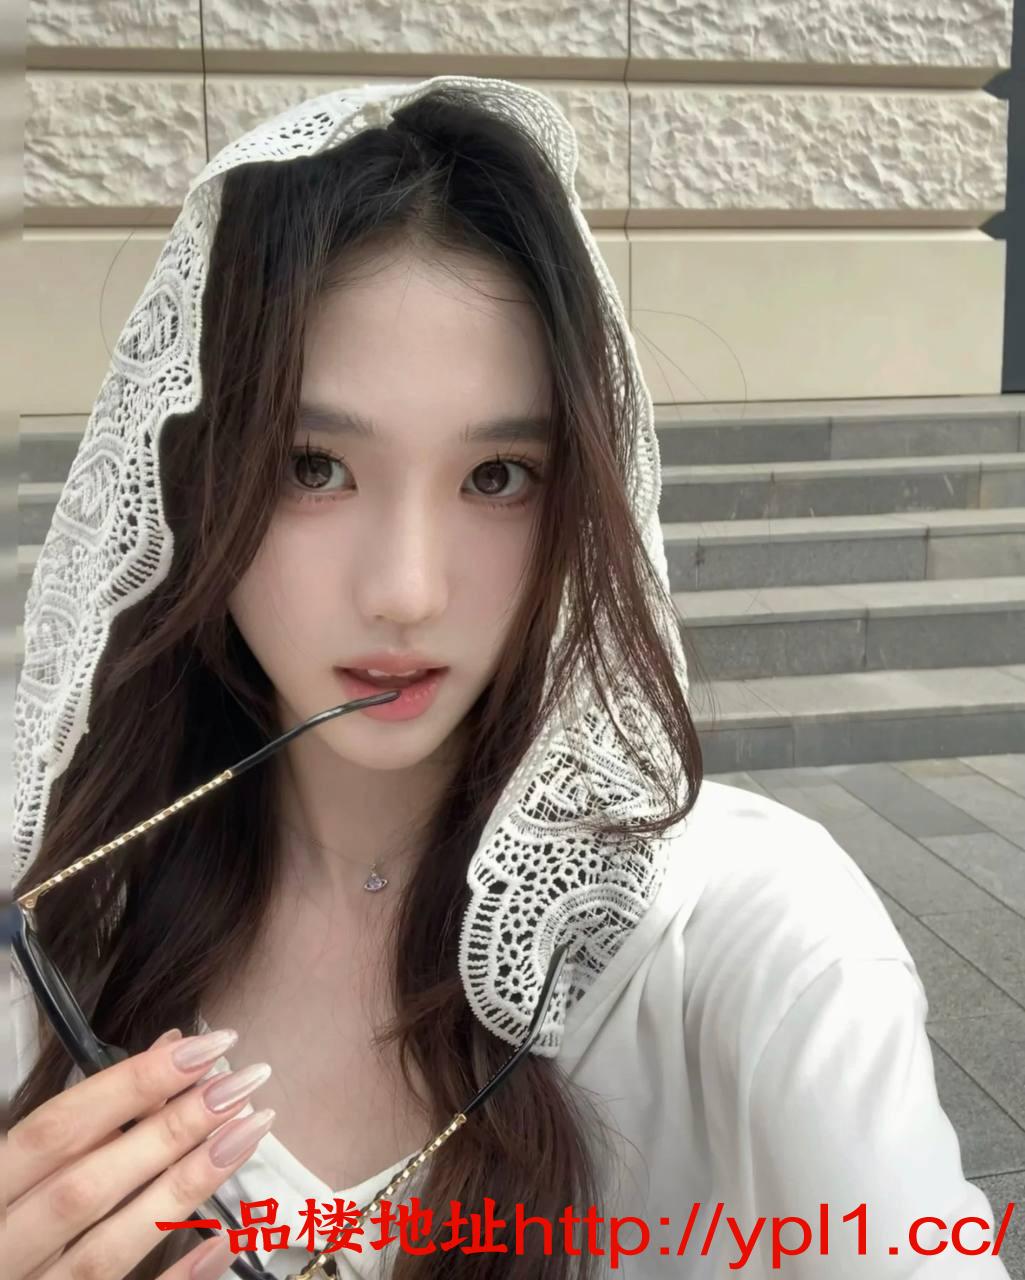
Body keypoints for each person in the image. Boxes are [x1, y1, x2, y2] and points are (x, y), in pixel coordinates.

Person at [6, 75, 1012, 1280]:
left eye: (496, 477)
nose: (406, 589)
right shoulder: (62, 935)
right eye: (312, 465)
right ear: (192, 475)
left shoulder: (746, 939)